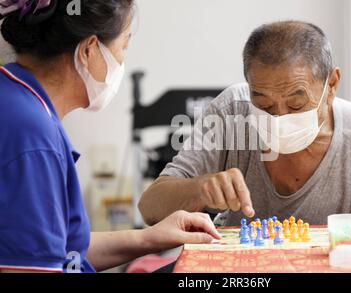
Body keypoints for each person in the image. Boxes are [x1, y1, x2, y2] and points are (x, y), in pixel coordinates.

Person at [0, 0, 219, 273]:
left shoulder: (16, 99)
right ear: (90, 50)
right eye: (122, 47)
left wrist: (149, 238)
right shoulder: (32, 136)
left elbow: (64, 252)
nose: (121, 61)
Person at [139, 21, 351, 226]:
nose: (278, 120)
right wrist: (200, 189)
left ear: (331, 85)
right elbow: (150, 208)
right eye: (263, 106)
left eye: (296, 105)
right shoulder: (232, 113)